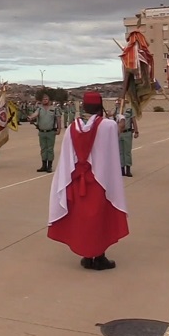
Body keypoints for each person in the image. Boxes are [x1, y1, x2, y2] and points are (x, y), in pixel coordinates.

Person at [48, 92, 128, 270]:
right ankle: (99, 257)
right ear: (100, 107)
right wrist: (121, 119)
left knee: (82, 217)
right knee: (99, 217)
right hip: (98, 180)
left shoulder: (72, 127)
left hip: (77, 179)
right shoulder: (107, 125)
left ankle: (86, 255)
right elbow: (118, 131)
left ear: (83, 107)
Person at [27, 94, 61, 173]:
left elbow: (58, 119)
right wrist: (31, 117)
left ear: (49, 100)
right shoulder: (39, 109)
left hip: (51, 132)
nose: (45, 101)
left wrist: (59, 129)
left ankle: (49, 166)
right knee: (43, 149)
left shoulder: (54, 109)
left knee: (50, 149)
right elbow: (35, 115)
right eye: (43, 99)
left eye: (46, 99)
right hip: (42, 132)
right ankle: (44, 165)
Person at [116, 102, 139, 177]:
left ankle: (128, 170)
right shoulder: (117, 110)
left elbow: (133, 121)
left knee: (127, 152)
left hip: (127, 133)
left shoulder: (129, 110)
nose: (118, 101)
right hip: (119, 133)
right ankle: (121, 169)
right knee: (120, 152)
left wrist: (136, 131)